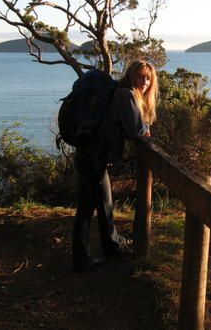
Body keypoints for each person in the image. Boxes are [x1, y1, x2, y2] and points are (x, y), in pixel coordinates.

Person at [72, 60, 159, 272]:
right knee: (88, 206)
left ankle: (111, 245)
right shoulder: (126, 95)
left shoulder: (122, 92)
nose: (145, 82)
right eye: (140, 76)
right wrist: (144, 130)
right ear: (131, 76)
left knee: (104, 202)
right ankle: (81, 258)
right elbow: (135, 130)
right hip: (94, 155)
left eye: (148, 78)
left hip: (91, 154)